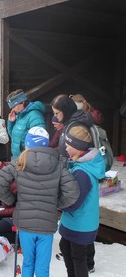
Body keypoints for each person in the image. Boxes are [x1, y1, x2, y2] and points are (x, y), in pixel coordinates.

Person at [0, 127, 80, 277]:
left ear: (27, 144)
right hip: (47, 224)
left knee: (28, 262)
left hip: (25, 223)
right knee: (42, 267)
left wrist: (12, 200)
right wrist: (56, 203)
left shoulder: (19, 162)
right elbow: (73, 192)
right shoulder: (58, 164)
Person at [51, 94, 96, 270]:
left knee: (78, 252)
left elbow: (75, 203)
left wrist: (60, 203)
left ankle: (89, 262)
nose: (55, 116)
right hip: (72, 166)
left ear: (65, 111)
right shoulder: (72, 122)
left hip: (73, 170)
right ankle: (88, 261)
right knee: (69, 247)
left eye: (57, 112)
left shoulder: (75, 125)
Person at [59, 124, 106, 277]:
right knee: (65, 248)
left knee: (77, 257)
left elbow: (73, 203)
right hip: (81, 221)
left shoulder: (82, 173)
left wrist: (55, 201)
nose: (65, 149)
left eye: (67, 145)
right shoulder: (82, 165)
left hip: (79, 224)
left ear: (77, 147)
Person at [6, 89, 46, 160]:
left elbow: (39, 139)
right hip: (17, 159)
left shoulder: (34, 115)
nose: (13, 109)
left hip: (27, 160)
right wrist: (11, 122)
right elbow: (14, 137)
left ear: (23, 102)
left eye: (14, 106)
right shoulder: (19, 115)